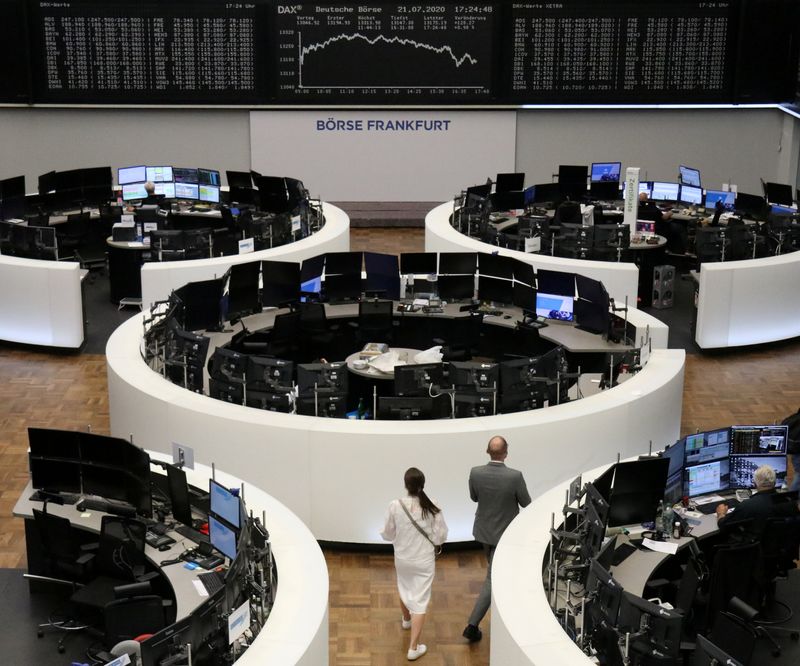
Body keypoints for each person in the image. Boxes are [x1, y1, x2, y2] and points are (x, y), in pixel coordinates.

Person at [462, 435, 531, 642]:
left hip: (484, 533)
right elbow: (526, 502)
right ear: (506, 452)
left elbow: (474, 497)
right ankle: (472, 626)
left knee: (493, 573)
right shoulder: (515, 476)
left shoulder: (476, 473)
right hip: (506, 535)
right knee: (493, 577)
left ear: (487, 451)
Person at [380, 467, 448, 661]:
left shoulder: (395, 505)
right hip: (424, 560)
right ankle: (413, 647)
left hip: (402, 557)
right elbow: (441, 534)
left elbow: (387, 533)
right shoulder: (432, 504)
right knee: (420, 600)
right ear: (422, 484)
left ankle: (406, 620)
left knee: (404, 586)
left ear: (405, 485)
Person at [715, 465, 799, 539]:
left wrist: (721, 514)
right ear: (775, 482)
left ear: (755, 483)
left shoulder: (747, 506)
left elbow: (724, 527)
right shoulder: (789, 502)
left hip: (755, 553)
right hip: (783, 551)